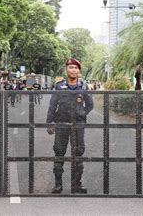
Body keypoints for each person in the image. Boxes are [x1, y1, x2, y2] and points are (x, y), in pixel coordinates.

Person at [46, 58, 93, 194]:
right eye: (71, 67)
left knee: (78, 153)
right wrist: (50, 123)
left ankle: (76, 185)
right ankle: (58, 185)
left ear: (79, 70)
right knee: (59, 152)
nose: (73, 70)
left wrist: (82, 113)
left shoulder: (83, 86)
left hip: (78, 124)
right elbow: (52, 105)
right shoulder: (59, 85)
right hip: (61, 123)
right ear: (66, 69)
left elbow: (90, 105)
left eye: (76, 68)